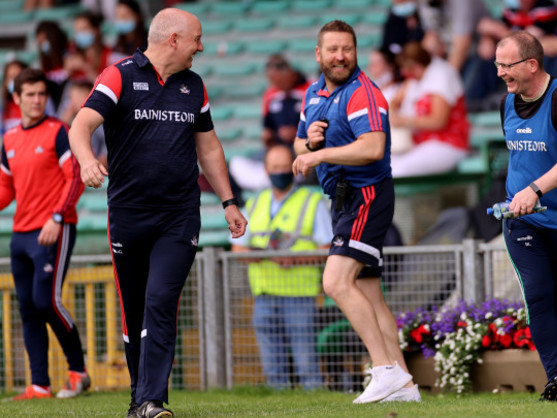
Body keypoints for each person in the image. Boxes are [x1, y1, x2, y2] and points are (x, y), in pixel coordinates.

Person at [68, 7, 247, 418]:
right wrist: (85, 160)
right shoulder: (119, 75)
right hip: (129, 214)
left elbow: (209, 147)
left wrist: (229, 201)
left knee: (161, 300)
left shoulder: (194, 85)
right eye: (196, 40)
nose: (200, 48)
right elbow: (81, 126)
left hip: (179, 215)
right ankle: (139, 399)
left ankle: (152, 401)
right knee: (134, 313)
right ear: (173, 40)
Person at [292, 20, 419, 404]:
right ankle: (406, 387)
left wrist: (322, 153)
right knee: (369, 292)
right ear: (318, 55)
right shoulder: (313, 93)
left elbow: (372, 147)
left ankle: (383, 370)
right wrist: (310, 144)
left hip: (367, 195)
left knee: (335, 283)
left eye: (347, 48)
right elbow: (300, 147)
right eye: (332, 49)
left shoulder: (364, 92)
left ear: (356, 51)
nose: (340, 56)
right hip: (343, 200)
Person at [495, 30, 557, 401]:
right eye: (497, 64)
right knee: (537, 294)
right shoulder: (506, 102)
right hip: (522, 220)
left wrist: (535, 189)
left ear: (531, 64)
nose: (501, 72)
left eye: (507, 65)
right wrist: (519, 198)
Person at [0, 68, 90, 401]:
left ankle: (78, 372)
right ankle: (39, 384)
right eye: (30, 95)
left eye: (42, 94)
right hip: (20, 234)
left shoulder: (59, 132)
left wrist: (57, 216)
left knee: (46, 301)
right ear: (16, 99)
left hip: (56, 228)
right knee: (27, 307)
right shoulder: (8, 139)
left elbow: (76, 177)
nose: (38, 100)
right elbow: (5, 190)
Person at [231, 145, 331, 390]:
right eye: (275, 167)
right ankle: (279, 400)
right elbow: (238, 248)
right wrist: (254, 256)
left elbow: (327, 247)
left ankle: (314, 400)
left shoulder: (312, 201)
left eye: (285, 166)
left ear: (295, 169)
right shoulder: (254, 204)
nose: (280, 171)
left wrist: (294, 259)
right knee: (271, 363)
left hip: (300, 294)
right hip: (264, 293)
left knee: (306, 360)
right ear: (266, 170)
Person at [229, 54, 312, 191]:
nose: (276, 84)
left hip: (302, 147)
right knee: (233, 165)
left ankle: (286, 179)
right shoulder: (270, 94)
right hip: (276, 146)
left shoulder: (310, 89)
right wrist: (268, 136)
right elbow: (268, 126)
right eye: (272, 80)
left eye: (279, 80)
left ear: (290, 74)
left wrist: (297, 133)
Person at [389, 42, 470, 177]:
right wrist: (393, 110)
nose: (404, 73)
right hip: (421, 144)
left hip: (448, 144)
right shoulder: (415, 79)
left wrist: (404, 121)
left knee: (399, 172)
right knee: (383, 167)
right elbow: (395, 101)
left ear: (416, 64)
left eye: (408, 68)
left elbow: (438, 121)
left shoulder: (441, 75)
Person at [1, 60, 27, 135]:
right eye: (11, 77)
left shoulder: (37, 102)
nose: (14, 81)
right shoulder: (3, 107)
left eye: (17, 77)